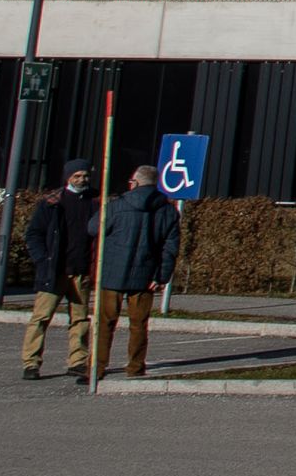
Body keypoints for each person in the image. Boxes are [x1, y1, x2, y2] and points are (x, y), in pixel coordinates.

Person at [99, 160, 184, 378]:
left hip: (113, 272)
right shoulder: (168, 210)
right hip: (146, 274)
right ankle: (135, 367)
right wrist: (162, 276)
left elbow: (94, 228)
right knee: (138, 324)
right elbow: (170, 248)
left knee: (105, 322)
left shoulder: (117, 205)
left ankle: (97, 366)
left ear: (135, 182)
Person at [19, 166, 98, 380]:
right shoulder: (51, 203)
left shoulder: (95, 202)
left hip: (81, 270)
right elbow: (34, 234)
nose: (82, 179)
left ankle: (77, 361)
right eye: (77, 176)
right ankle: (31, 362)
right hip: (54, 271)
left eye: (85, 176)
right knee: (41, 317)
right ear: (68, 177)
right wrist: (42, 260)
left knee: (80, 319)